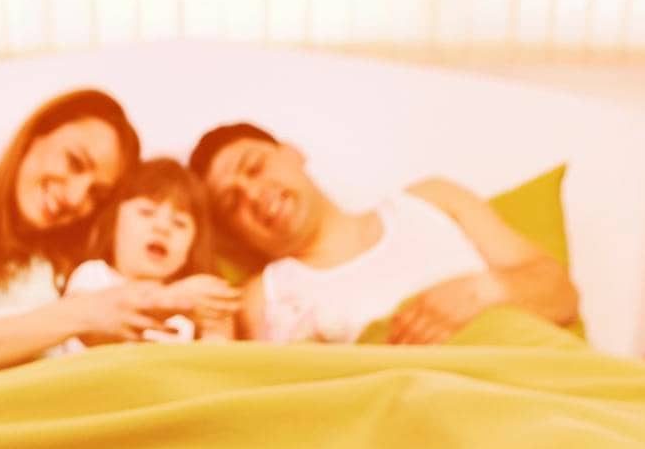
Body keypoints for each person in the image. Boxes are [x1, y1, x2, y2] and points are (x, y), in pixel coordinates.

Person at [0, 88, 189, 380]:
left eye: (96, 194)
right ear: (34, 136)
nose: (77, 197)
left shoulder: (74, 267)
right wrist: (81, 314)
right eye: (75, 162)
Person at [188, 122, 579, 344]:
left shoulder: (432, 200)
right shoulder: (263, 297)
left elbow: (561, 294)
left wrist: (481, 293)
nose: (254, 195)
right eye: (231, 203)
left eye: (254, 167)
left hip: (523, 382)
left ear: (292, 153)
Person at [58, 157, 240, 352]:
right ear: (113, 225)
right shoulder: (94, 275)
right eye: (146, 212)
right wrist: (173, 300)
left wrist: (217, 331)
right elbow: (89, 330)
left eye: (179, 223)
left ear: (190, 250)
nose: (162, 227)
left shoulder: (186, 319)